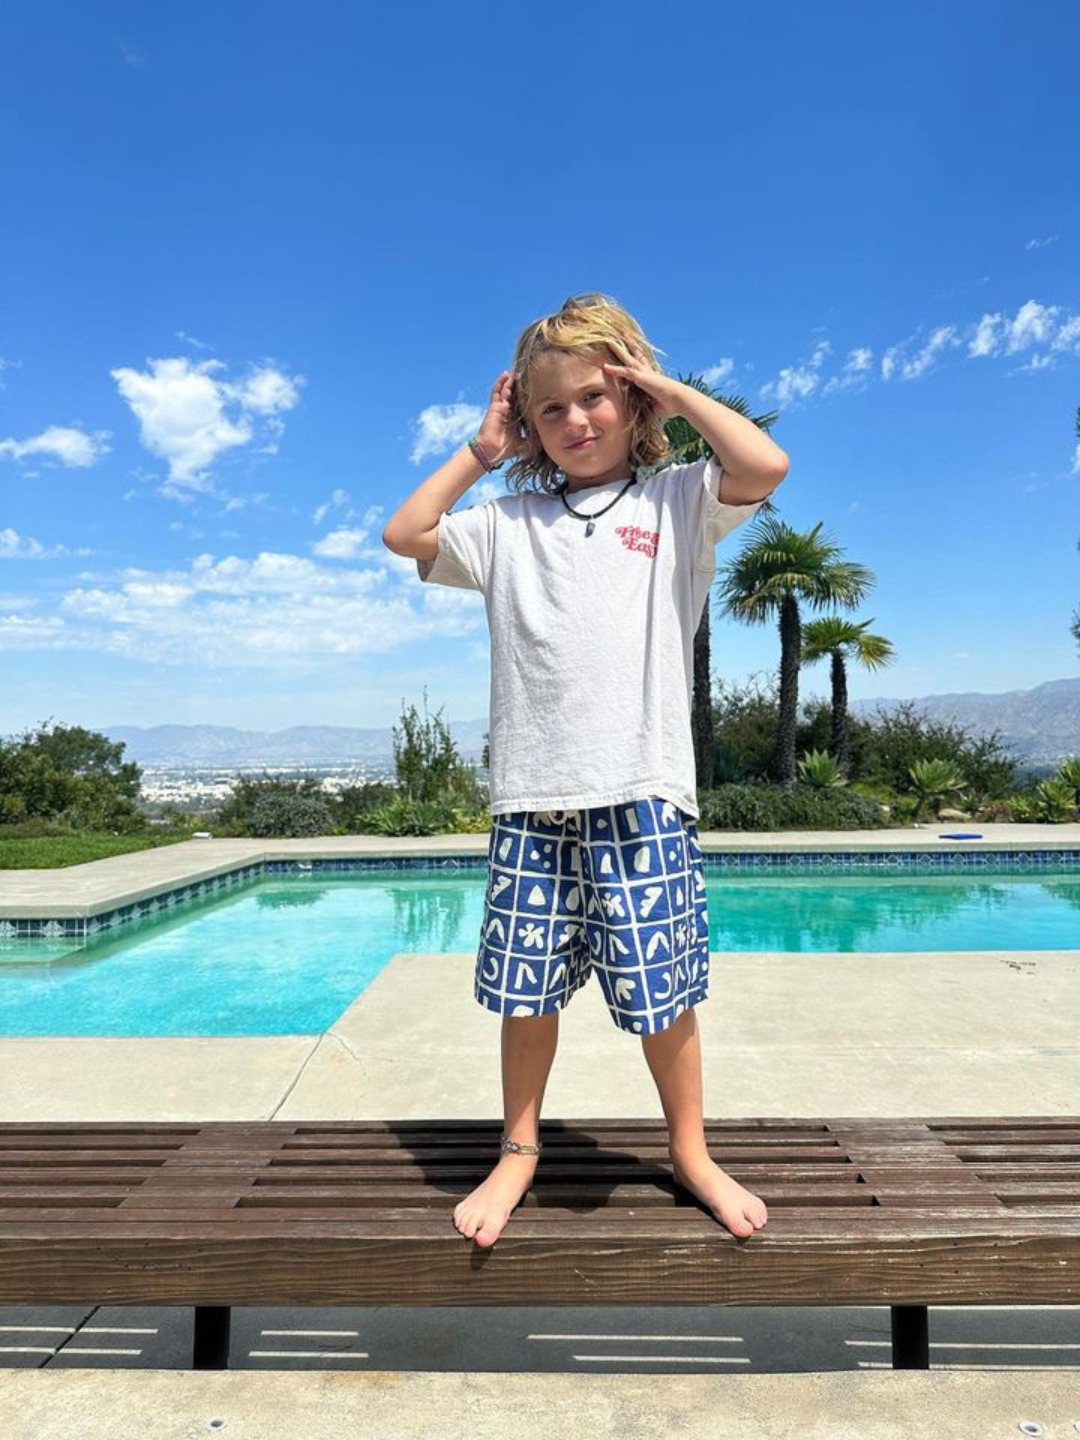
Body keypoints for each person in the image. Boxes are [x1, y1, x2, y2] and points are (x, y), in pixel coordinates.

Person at [382, 292, 789, 1248]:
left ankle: (689, 1149)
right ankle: (518, 1150)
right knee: (525, 994)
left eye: (595, 399)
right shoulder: (505, 523)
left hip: (643, 790)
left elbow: (763, 464)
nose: (576, 421)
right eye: (551, 408)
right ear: (528, 421)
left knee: (666, 993)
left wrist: (668, 392)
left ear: (634, 403)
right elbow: (406, 534)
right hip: (533, 798)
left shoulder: (678, 500)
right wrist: (481, 453)